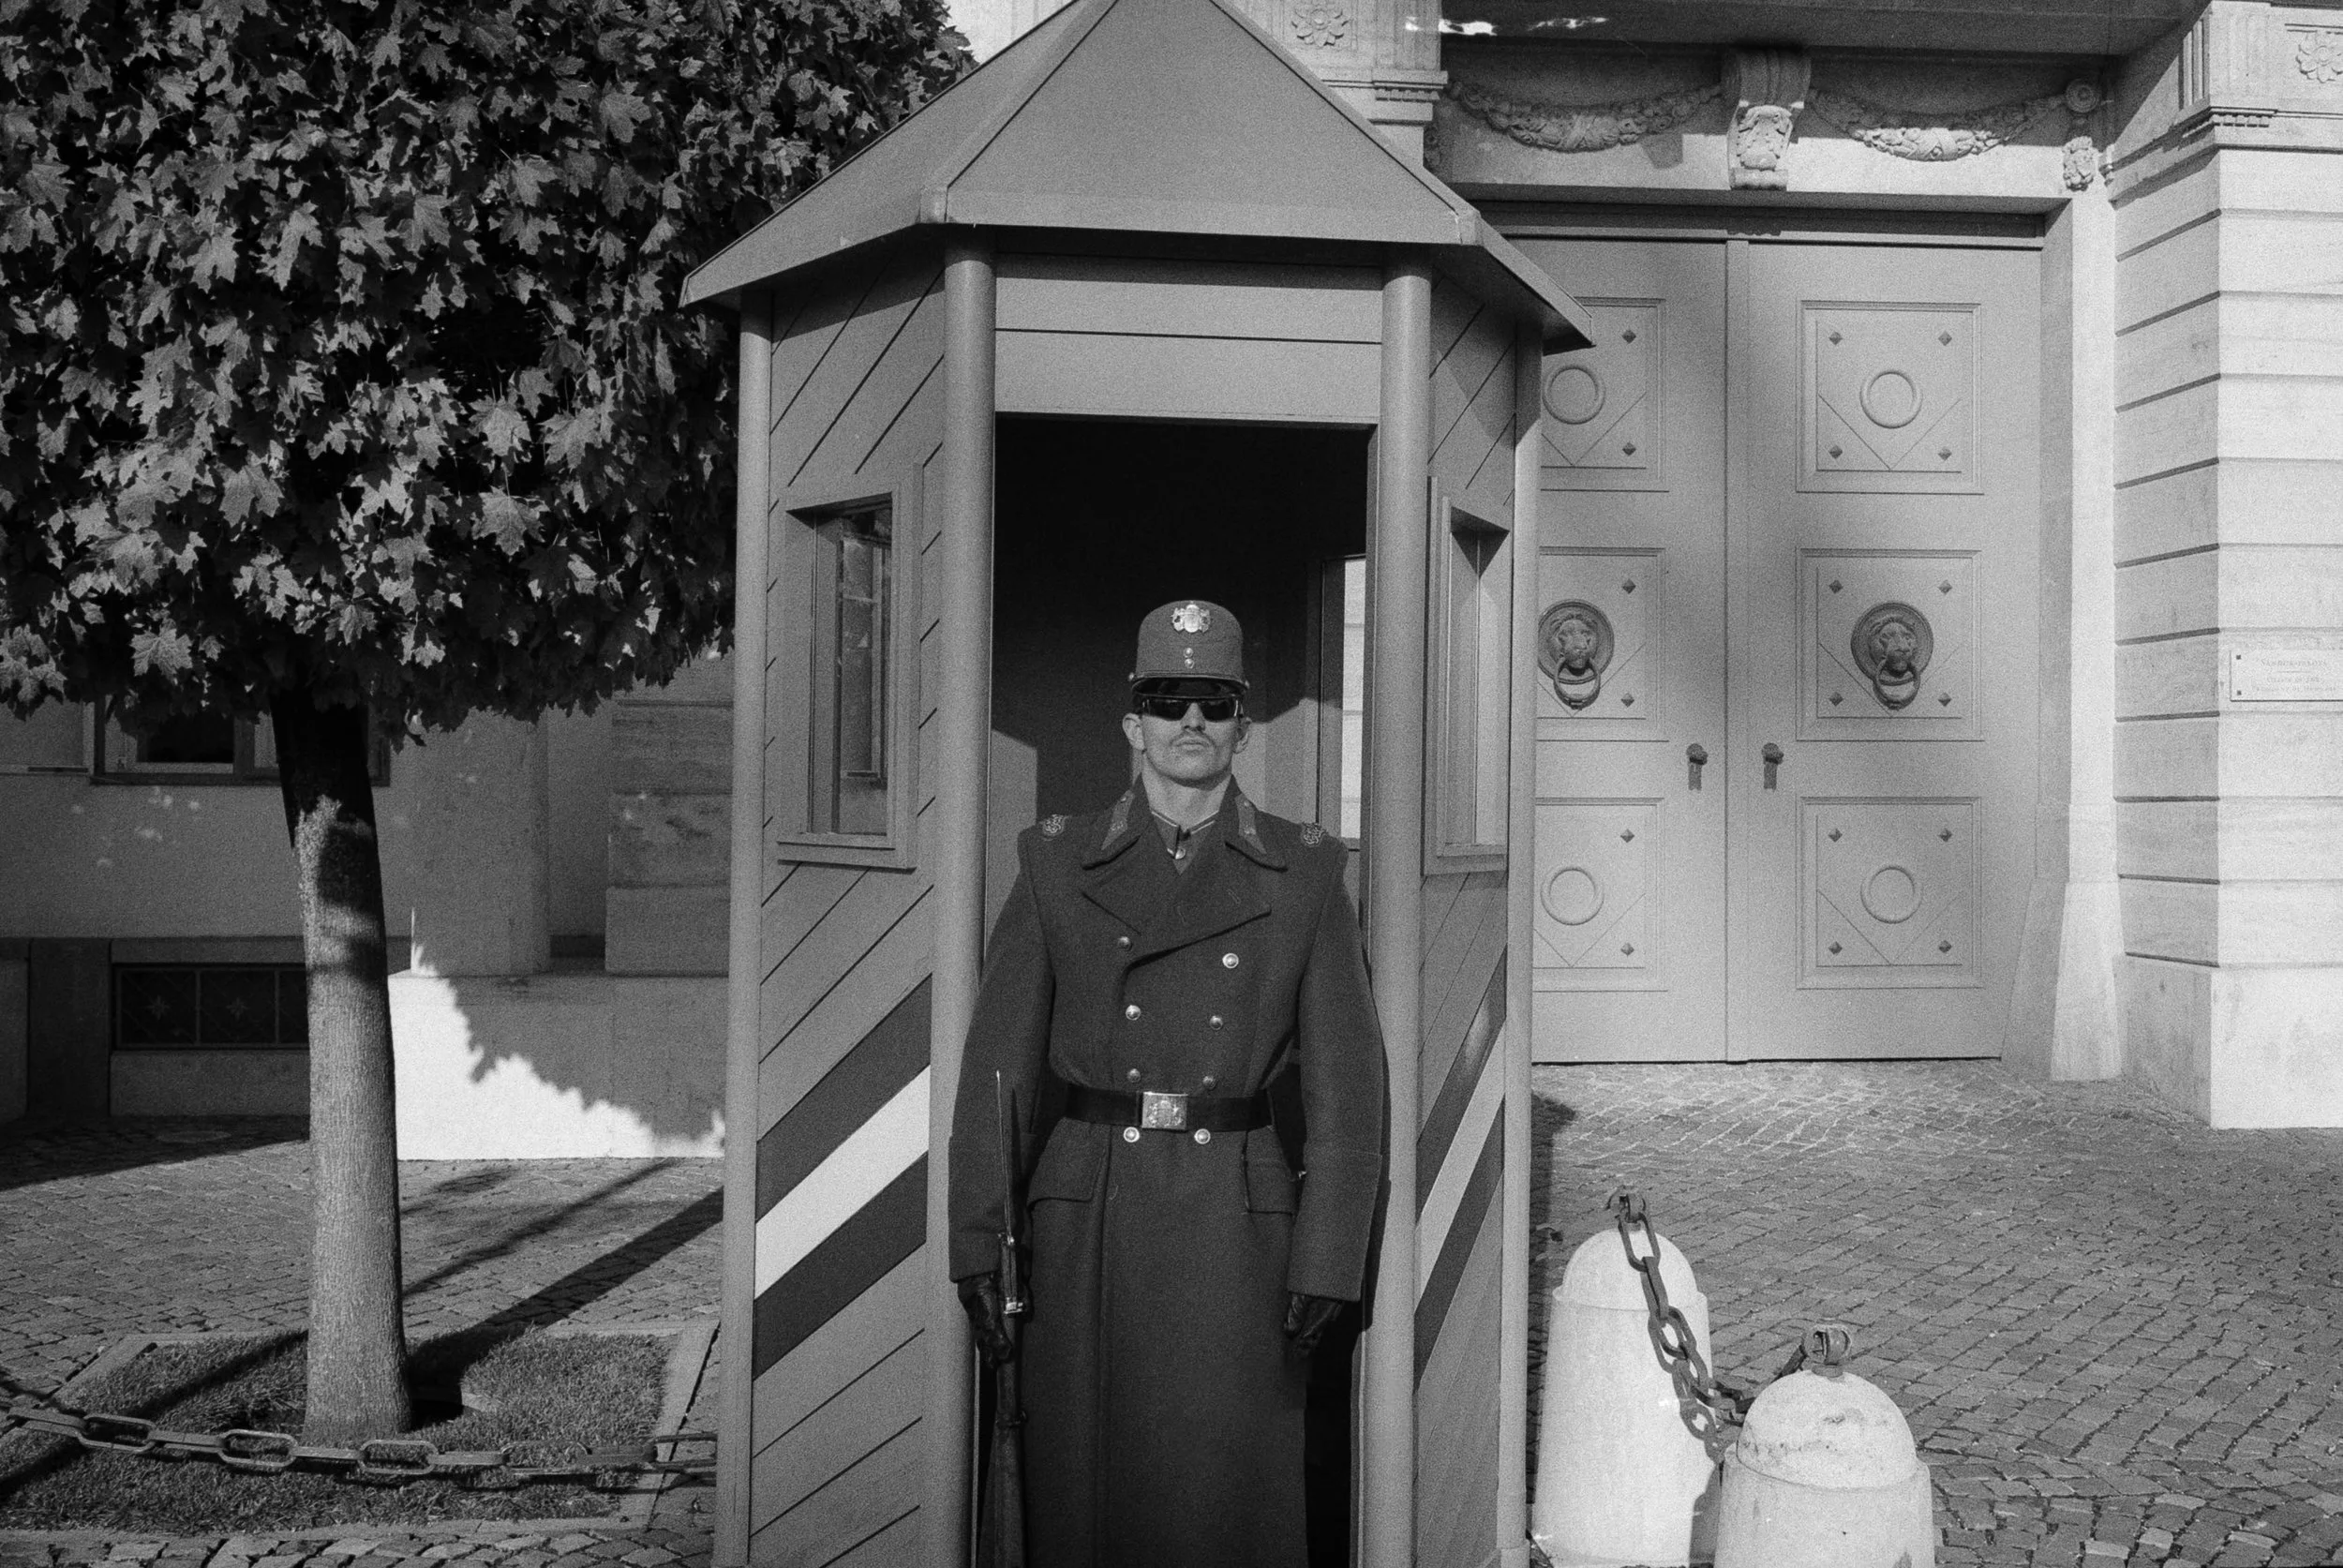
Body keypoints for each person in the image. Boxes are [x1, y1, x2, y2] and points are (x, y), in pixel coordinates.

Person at [948, 599, 1388, 1568]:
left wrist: (1329, 1259)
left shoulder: (1305, 870)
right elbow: (999, 1068)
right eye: (1166, 697)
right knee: (1086, 1499)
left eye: (1213, 700)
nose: (1190, 720)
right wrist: (980, 1240)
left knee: (1225, 1497)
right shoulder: (1056, 857)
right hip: (1089, 1210)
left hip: (1237, 1219)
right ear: (1132, 722)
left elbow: (1349, 1091)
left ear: (1240, 722)